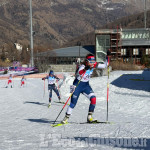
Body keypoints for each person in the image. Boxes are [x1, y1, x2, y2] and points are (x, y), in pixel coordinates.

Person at [61, 53, 108, 124]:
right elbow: (80, 72)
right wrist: (85, 69)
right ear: (86, 61)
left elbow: (105, 65)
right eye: (90, 61)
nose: (92, 63)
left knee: (93, 98)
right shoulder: (82, 66)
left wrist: (108, 56)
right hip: (77, 85)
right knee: (73, 103)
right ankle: (66, 118)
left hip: (86, 85)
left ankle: (89, 117)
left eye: (93, 61)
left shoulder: (94, 65)